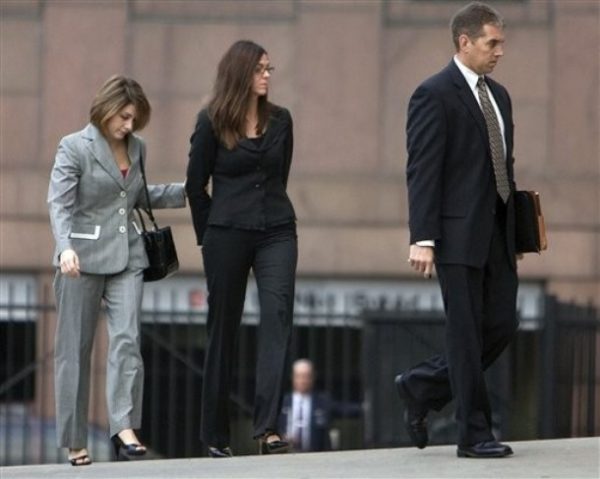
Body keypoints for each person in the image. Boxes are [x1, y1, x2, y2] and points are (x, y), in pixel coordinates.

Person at [397, 2, 520, 458]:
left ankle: (420, 386)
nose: (500, 52)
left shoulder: (500, 96)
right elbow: (423, 170)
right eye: (492, 43)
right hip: (454, 236)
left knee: (504, 324)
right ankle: (473, 434)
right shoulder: (433, 93)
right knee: (464, 333)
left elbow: (501, 165)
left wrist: (516, 229)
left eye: (501, 43)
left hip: (498, 235)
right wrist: (422, 237)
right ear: (464, 42)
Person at [48, 75, 186, 466]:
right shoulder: (74, 146)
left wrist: (186, 191)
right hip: (82, 258)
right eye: (124, 117)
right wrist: (65, 249)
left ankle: (124, 428)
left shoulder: (137, 147)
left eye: (135, 119)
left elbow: (137, 196)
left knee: (127, 340)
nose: (130, 125)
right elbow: (58, 203)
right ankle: (76, 439)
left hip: (128, 256)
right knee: (74, 351)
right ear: (106, 110)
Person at [185, 40, 297, 458]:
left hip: (277, 231)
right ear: (240, 74)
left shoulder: (282, 120)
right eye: (260, 69)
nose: (267, 75)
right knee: (223, 328)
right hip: (227, 233)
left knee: (278, 318)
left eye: (270, 68)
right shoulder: (211, 121)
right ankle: (216, 434)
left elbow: (279, 177)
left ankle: (268, 427)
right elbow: (195, 186)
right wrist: (209, 236)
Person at [279, 359, 362, 452]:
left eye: (306, 376)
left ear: (313, 377)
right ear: (293, 377)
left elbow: (343, 408)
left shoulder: (322, 400)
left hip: (316, 456)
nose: (303, 381)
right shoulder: (282, 402)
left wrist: (365, 408)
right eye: (299, 376)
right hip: (286, 455)